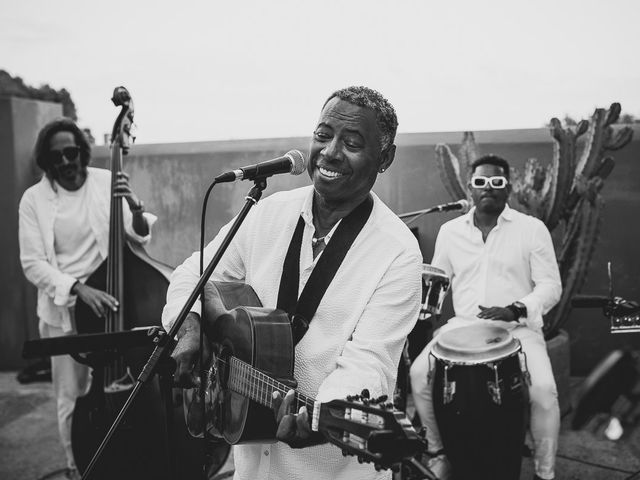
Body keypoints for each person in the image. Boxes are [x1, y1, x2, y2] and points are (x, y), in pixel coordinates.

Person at [162, 86, 422, 480]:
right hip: (250, 466)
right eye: (323, 135)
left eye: (352, 142)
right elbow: (192, 273)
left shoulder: (398, 252)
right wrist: (191, 325)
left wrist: (322, 416)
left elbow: (370, 362)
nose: (331, 152)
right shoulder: (267, 212)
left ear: (384, 158)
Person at [18, 118, 156, 479]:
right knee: (72, 397)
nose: (65, 161)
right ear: (46, 162)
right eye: (55, 157)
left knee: (132, 388)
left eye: (71, 152)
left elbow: (139, 238)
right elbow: (33, 264)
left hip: (114, 306)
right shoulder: (34, 200)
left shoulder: (106, 180)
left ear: (81, 150)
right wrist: (79, 288)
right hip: (65, 310)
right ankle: (77, 467)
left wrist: (136, 206)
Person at [409, 154, 562, 480]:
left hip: (517, 329)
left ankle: (544, 472)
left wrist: (517, 308)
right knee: (418, 374)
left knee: (545, 393)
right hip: (464, 327)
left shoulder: (531, 229)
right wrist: (422, 301)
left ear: (508, 187)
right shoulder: (450, 232)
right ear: (470, 188)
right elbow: (439, 281)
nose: (488, 188)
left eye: (496, 182)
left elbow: (551, 286)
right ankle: (438, 454)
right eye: (480, 182)